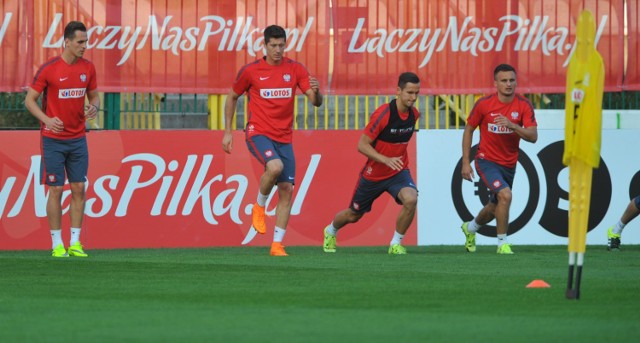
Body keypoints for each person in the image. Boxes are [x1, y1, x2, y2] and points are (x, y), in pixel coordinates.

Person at [222, 25, 323, 256]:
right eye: (273, 45)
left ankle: (277, 245)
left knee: (287, 189)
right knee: (275, 167)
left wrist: (317, 92)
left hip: (284, 137)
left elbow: (315, 102)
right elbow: (232, 96)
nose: (278, 50)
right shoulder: (251, 71)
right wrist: (227, 132)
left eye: (281, 45)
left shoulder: (295, 69)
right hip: (258, 133)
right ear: (265, 45)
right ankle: (259, 206)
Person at [322, 72, 420, 255]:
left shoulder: (414, 114)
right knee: (353, 215)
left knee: (411, 199)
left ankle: (395, 244)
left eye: (416, 93)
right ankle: (330, 231)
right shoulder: (383, 114)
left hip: (398, 172)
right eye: (409, 93)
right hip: (374, 174)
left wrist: (394, 162)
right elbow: (362, 145)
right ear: (398, 91)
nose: (413, 98)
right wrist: (386, 159)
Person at [25, 21, 99, 258]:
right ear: (66, 42)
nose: (84, 46)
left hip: (78, 138)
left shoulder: (88, 68)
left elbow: (94, 97)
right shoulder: (49, 69)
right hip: (53, 140)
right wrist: (47, 120)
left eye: (86, 42)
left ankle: (75, 243)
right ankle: (57, 244)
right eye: (80, 42)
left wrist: (93, 108)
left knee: (79, 187)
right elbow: (29, 101)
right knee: (55, 189)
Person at [460, 64, 537, 254]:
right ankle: (502, 243)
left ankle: (470, 228)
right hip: (486, 160)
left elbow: (533, 136)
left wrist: (513, 126)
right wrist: (465, 162)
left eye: (512, 80)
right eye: (504, 80)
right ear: (495, 83)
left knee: (495, 206)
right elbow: (469, 129)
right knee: (506, 195)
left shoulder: (523, 105)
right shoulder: (484, 104)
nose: (508, 84)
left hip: (509, 164)